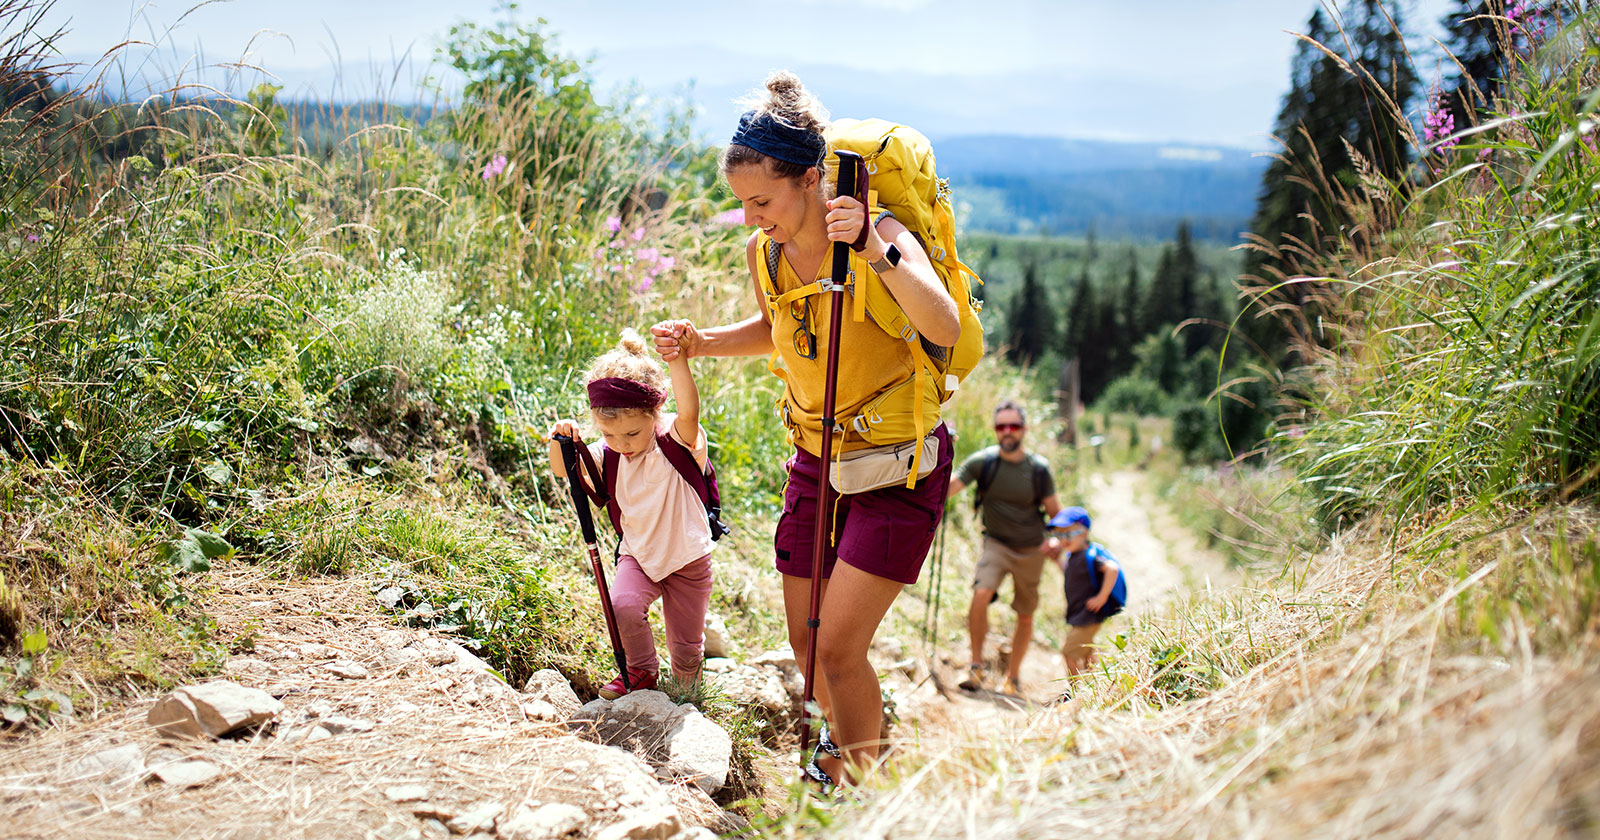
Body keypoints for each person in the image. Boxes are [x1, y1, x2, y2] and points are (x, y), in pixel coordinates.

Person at [651, 70, 958, 788]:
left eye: (762, 201)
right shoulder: (767, 251)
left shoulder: (878, 232)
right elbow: (779, 327)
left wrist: (879, 255)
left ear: (813, 180)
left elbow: (941, 321)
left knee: (842, 649)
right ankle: (847, 758)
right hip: (817, 459)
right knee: (807, 643)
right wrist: (703, 342)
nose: (753, 218)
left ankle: (860, 792)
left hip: (897, 465)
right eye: (743, 205)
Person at [548, 329, 715, 699]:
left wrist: (677, 360)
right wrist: (559, 440)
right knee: (622, 604)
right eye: (610, 435)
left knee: (686, 646)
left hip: (688, 557)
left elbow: (690, 410)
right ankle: (641, 671)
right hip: (638, 553)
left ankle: (688, 690)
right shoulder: (608, 454)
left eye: (632, 433)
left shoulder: (675, 439)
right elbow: (564, 470)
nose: (622, 444)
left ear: (655, 414)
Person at [945, 400, 1063, 696]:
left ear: (1024, 429)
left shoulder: (1038, 469)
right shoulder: (983, 462)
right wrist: (941, 454)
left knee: (1025, 613)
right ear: (995, 430)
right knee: (980, 593)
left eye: (1014, 426)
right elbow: (949, 487)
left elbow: (1056, 515)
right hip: (996, 544)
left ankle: (1013, 677)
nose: (1008, 432)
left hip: (1032, 549)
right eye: (1001, 426)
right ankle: (976, 667)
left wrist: (1056, 538)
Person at [1047, 506, 1124, 675]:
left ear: (1084, 533)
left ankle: (1075, 691)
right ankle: (1093, 685)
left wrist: (1101, 597)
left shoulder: (1089, 555)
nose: (1063, 540)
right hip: (1080, 614)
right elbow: (1071, 574)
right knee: (1087, 650)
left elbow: (1112, 569)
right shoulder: (1073, 556)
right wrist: (1057, 562)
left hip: (1088, 614)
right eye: (1059, 536)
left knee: (1069, 653)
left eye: (1068, 534)